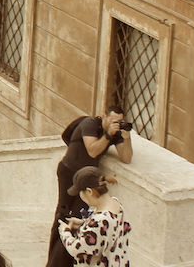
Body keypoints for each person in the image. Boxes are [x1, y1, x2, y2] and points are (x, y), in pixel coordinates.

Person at [48, 107, 133, 267]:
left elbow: (126, 158)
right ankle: (54, 260)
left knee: (80, 216)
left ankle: (67, 259)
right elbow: (93, 150)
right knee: (63, 215)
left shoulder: (115, 133)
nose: (116, 124)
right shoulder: (90, 124)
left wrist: (126, 137)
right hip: (69, 173)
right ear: (104, 117)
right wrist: (108, 135)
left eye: (119, 121)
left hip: (87, 179)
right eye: (113, 121)